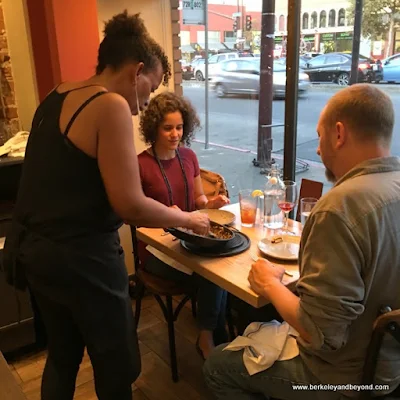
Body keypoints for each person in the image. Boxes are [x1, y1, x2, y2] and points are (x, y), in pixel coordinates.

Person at [2, 11, 210, 400]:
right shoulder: (110, 104)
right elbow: (130, 204)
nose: (147, 100)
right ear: (136, 71)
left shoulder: (57, 94)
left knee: (63, 357)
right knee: (118, 368)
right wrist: (187, 218)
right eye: (152, 85)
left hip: (37, 255)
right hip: (84, 262)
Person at [203, 84, 400, 399]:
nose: (319, 149)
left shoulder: (339, 208)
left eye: (320, 136)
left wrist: (269, 284)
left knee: (217, 367)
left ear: (339, 134)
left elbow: (321, 334)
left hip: (344, 377)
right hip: (391, 366)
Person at [138, 91, 230, 359]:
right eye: (167, 128)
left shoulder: (188, 157)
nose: (175, 134)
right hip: (156, 250)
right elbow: (138, 217)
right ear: (153, 127)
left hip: (189, 240)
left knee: (220, 265)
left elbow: (198, 200)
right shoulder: (140, 164)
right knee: (214, 271)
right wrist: (169, 216)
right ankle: (210, 338)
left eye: (179, 127)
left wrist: (212, 204)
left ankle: (215, 338)